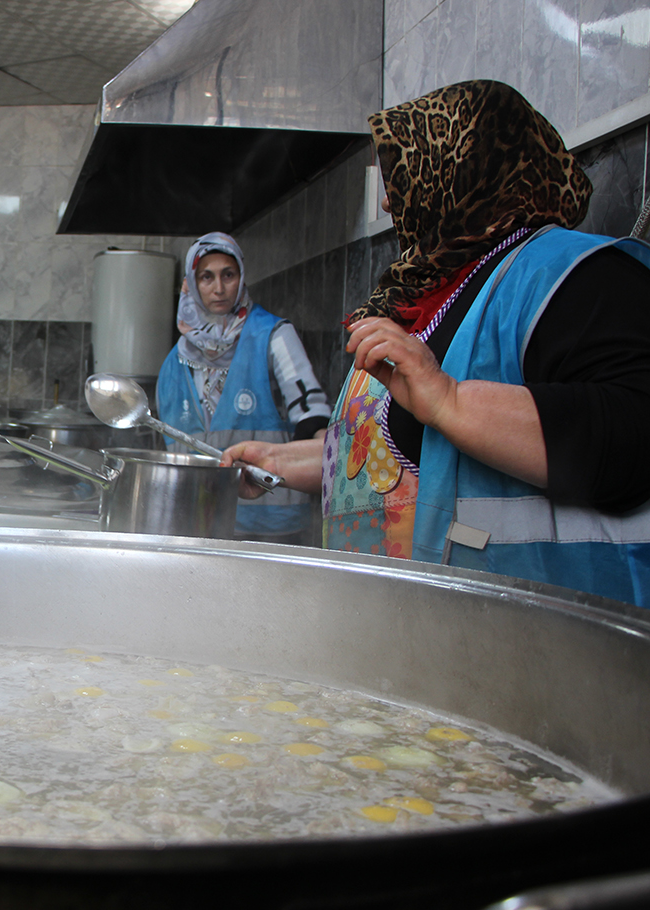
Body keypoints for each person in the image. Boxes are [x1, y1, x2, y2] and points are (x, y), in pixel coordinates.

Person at [221, 80, 650, 606]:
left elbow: (634, 436)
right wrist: (283, 462)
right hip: (413, 630)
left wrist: (449, 399)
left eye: (400, 175)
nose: (384, 199)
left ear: (465, 169)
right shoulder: (427, 295)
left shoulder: (575, 276)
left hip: (539, 640)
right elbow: (392, 460)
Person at [155, 232, 331, 543]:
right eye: (206, 277)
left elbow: (313, 416)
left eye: (229, 274)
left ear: (242, 277)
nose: (219, 288)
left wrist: (329, 465)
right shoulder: (174, 363)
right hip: (200, 524)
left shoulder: (273, 335)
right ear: (192, 283)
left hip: (275, 526)